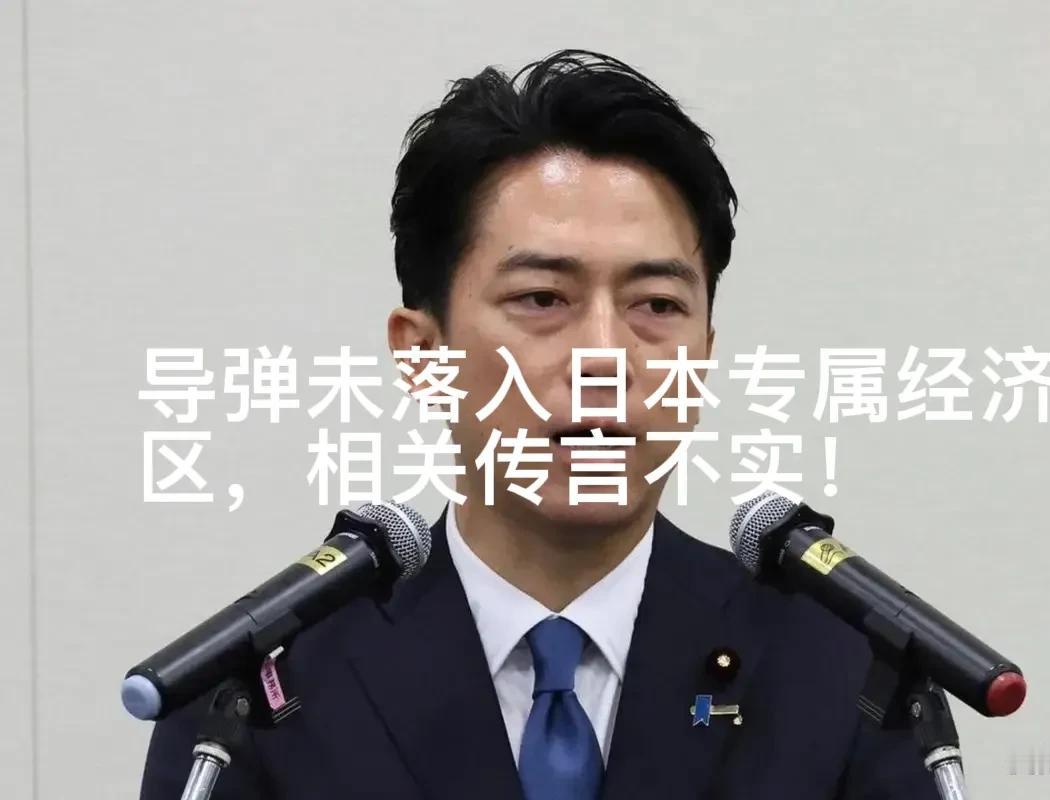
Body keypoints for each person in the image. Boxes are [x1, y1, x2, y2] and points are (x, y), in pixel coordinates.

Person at [139, 49, 941, 799]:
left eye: (657, 306)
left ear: (702, 356)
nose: (605, 357)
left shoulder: (845, 676)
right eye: (542, 299)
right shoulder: (256, 696)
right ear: (422, 354)